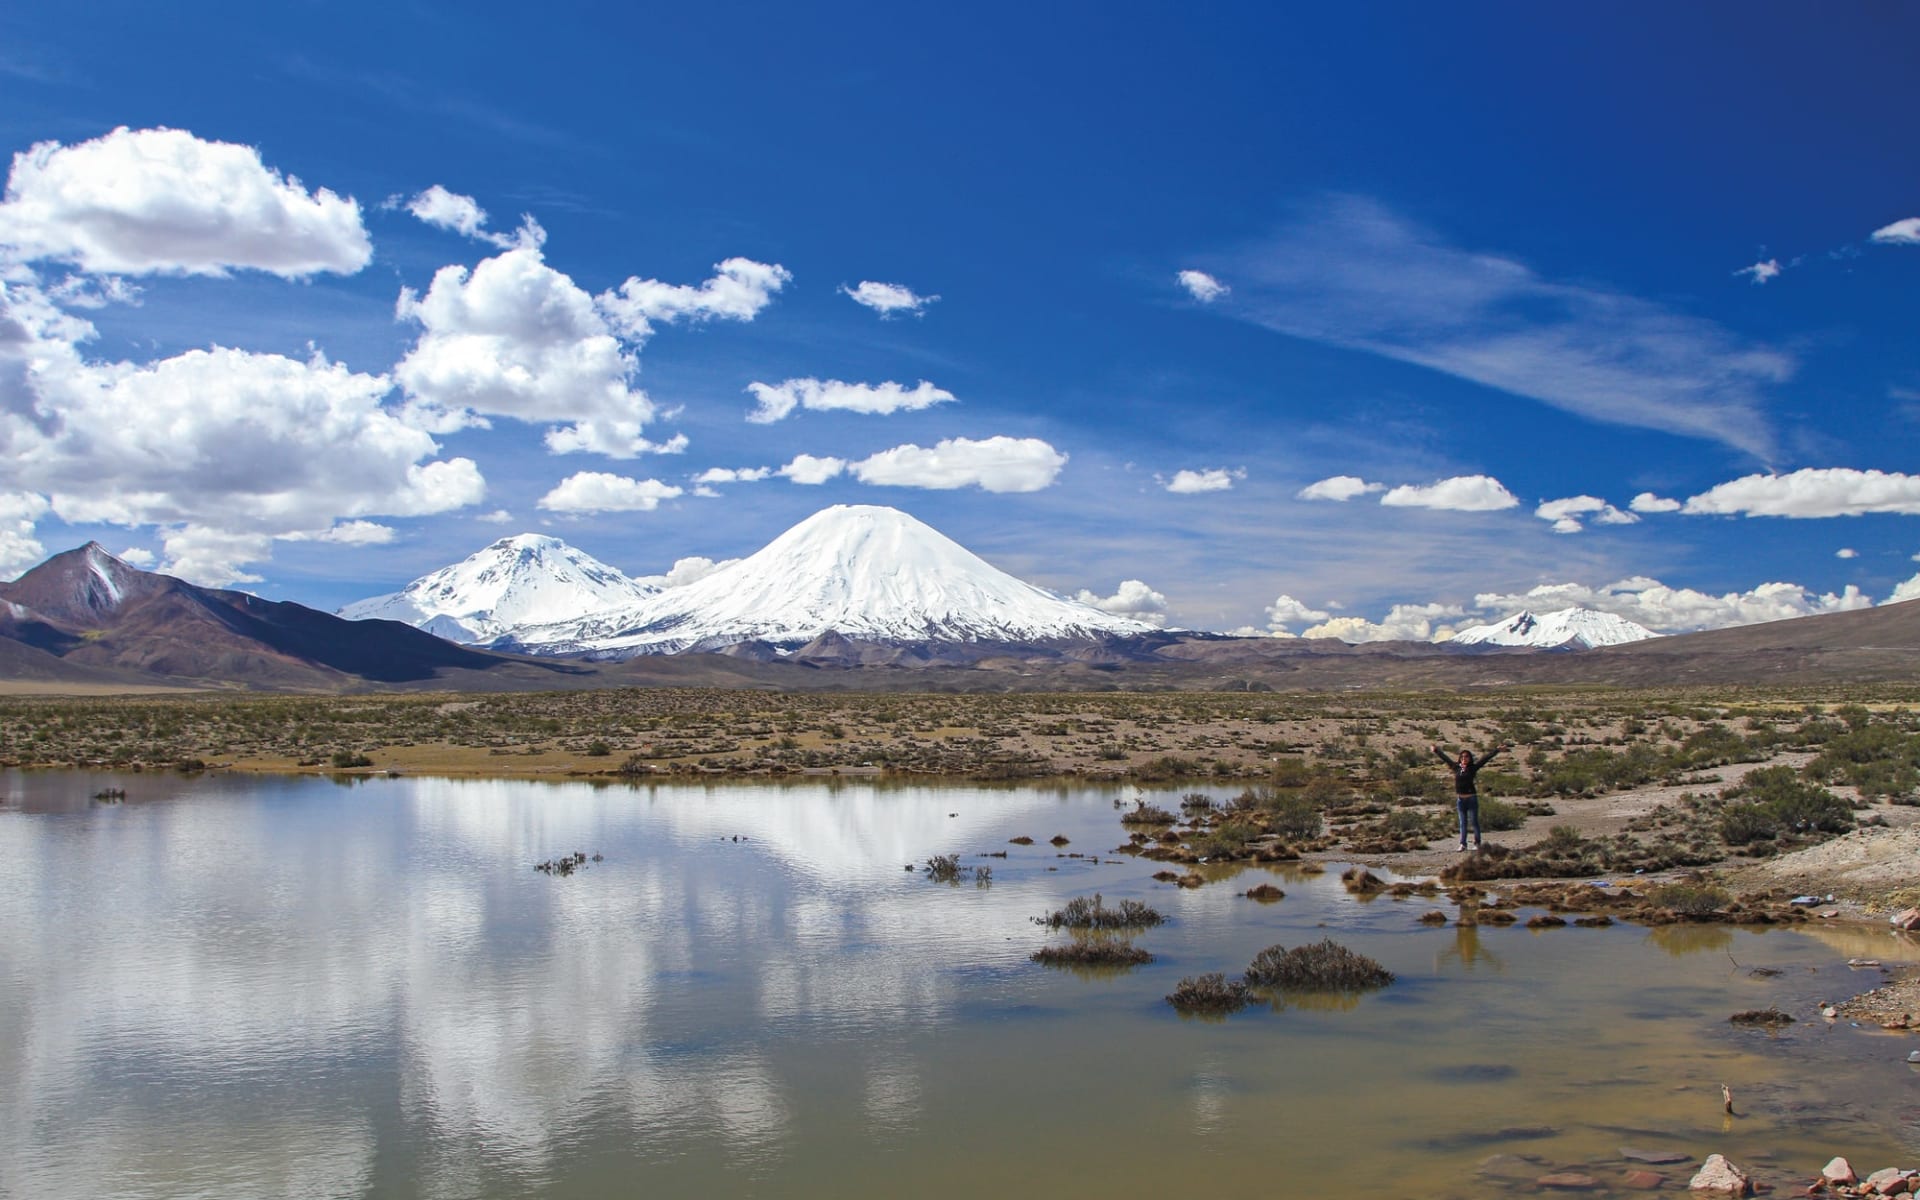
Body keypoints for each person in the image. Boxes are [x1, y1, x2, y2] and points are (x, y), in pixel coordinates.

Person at [1431, 743, 1507, 851]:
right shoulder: (1456, 767)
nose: (1464, 758)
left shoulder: (1473, 768)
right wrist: (1436, 750)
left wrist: (1497, 750)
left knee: (1474, 822)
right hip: (1460, 800)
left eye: (1466, 756)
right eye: (1462, 757)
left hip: (1471, 799)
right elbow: (1445, 758)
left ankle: (1477, 843)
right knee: (1463, 823)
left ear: (1469, 758)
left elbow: (1485, 759)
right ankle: (1463, 844)